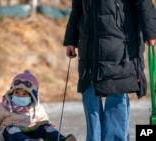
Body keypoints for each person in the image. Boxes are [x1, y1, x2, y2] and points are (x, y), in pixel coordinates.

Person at [63, 0, 156, 141]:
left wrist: (151, 32)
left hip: (120, 50)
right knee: (90, 95)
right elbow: (77, 9)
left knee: (116, 97)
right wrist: (71, 39)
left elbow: (144, 3)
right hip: (89, 52)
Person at [0, 70, 77, 141]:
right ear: (11, 92)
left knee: (45, 127)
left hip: (32, 136)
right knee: (11, 129)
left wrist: (48, 126)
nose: (20, 95)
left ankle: (61, 139)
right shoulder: (3, 107)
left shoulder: (37, 108)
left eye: (25, 94)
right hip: (11, 137)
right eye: (16, 92)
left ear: (33, 96)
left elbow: (44, 122)